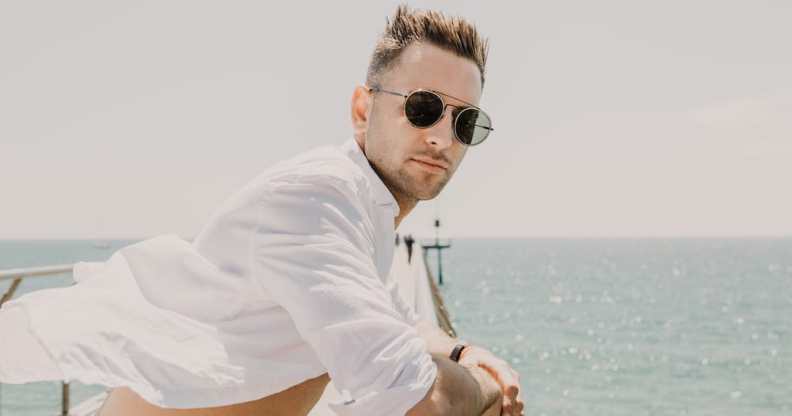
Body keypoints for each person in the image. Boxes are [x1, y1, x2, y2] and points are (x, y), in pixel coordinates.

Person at [0, 5, 523, 416]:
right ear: (363, 110)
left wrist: (463, 355)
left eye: (465, 122)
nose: (439, 137)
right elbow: (407, 400)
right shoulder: (318, 200)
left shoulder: (364, 212)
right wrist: (485, 387)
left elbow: (401, 321)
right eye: (423, 107)